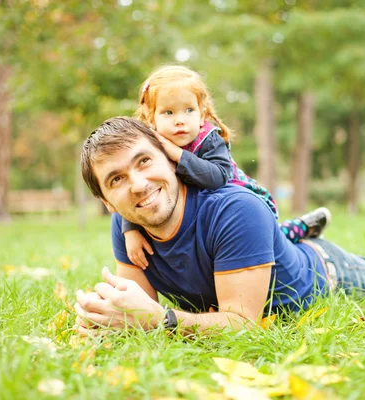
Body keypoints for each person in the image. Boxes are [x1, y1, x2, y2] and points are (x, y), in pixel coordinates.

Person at [74, 116, 365, 335]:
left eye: (144, 161)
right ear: (108, 202)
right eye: (116, 179)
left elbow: (241, 324)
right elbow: (137, 315)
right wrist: (105, 317)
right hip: (261, 266)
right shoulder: (130, 222)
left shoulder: (235, 209)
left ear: (170, 157)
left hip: (326, 276)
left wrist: (162, 321)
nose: (138, 185)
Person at [122, 65, 331, 269]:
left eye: (189, 110)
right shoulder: (150, 146)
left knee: (264, 242)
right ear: (151, 117)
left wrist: (179, 155)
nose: (180, 121)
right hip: (201, 216)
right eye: (168, 112)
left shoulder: (208, 140)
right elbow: (139, 187)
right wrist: (130, 229)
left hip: (238, 207)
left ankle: (300, 228)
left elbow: (218, 177)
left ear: (201, 113)